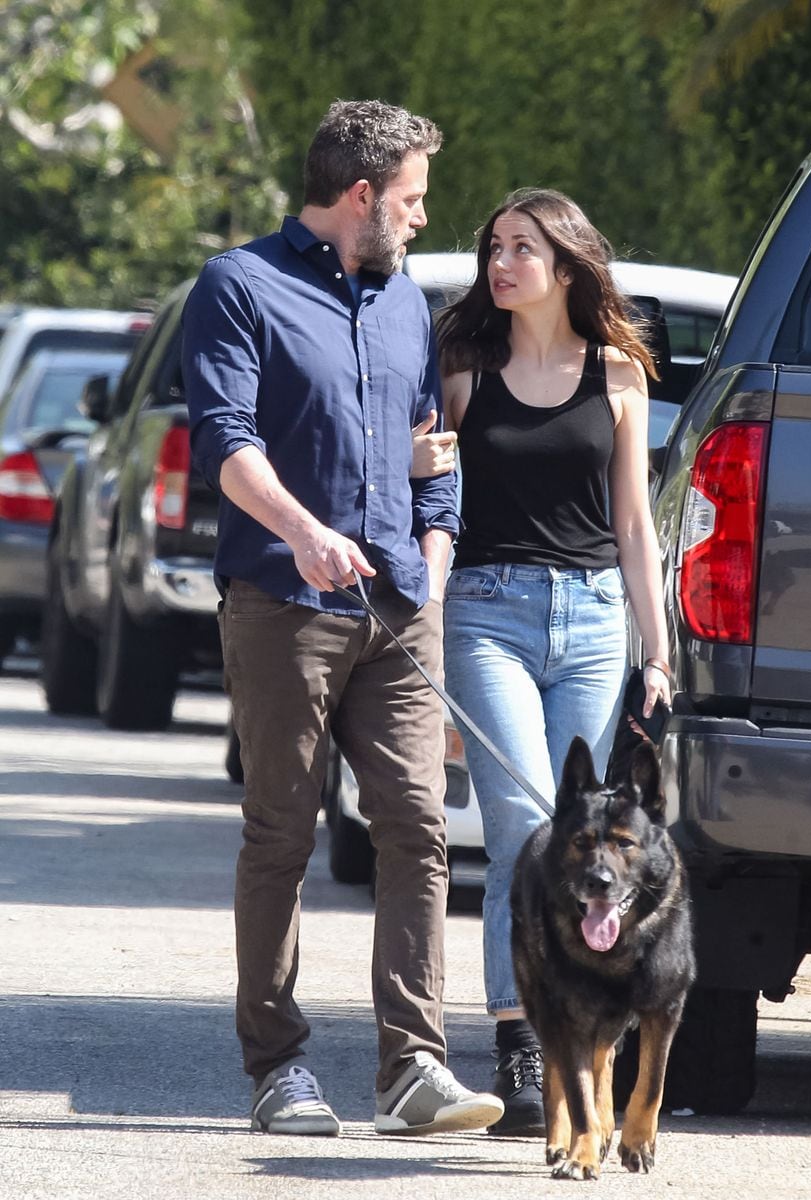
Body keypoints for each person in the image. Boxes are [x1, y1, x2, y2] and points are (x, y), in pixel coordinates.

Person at [181, 98, 504, 1139]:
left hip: (400, 609)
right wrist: (305, 532)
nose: (419, 217)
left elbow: (431, 457)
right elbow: (225, 441)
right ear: (358, 195)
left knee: (414, 827)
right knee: (280, 830)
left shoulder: (407, 302)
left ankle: (411, 1069)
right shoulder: (240, 287)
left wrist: (437, 564)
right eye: (409, 199)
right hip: (284, 603)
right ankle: (277, 1069)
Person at [432, 188, 672, 1136]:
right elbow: (437, 508)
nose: (500, 263)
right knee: (525, 829)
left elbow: (633, 526)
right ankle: (519, 1045)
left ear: (566, 266)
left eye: (522, 248)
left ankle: (574, 1035)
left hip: (592, 618)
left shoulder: (617, 372)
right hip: (485, 613)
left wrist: (655, 653)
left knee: (581, 844)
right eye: (494, 247)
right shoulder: (463, 366)